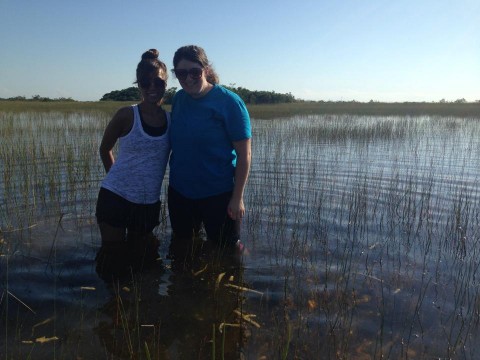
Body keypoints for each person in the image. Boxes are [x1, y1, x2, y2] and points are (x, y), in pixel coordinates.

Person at [168, 45, 252, 260]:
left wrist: (237, 198)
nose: (188, 78)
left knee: (228, 249)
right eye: (181, 73)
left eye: (194, 71)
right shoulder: (178, 99)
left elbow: (244, 155)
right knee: (184, 246)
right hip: (181, 192)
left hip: (218, 194)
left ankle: (242, 267)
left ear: (205, 69)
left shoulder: (230, 102)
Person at [95, 49, 170, 280]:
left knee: (142, 259)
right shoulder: (126, 115)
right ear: (139, 84)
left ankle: (138, 310)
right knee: (112, 258)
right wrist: (118, 181)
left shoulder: (171, 119)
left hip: (148, 204)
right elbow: (104, 148)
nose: (152, 88)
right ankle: (112, 309)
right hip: (115, 198)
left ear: (166, 83)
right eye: (145, 83)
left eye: (158, 82)